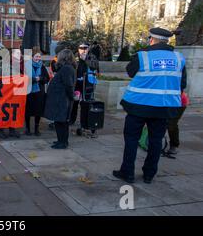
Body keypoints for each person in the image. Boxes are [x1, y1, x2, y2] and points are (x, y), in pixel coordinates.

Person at [113, 27, 187, 184]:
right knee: (155, 141)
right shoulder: (179, 58)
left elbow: (130, 72)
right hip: (163, 107)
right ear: (166, 41)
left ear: (152, 39)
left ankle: (128, 172)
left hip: (138, 106)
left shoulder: (143, 56)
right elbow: (183, 83)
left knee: (132, 139)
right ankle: (149, 174)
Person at [44, 49, 77, 149]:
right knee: (59, 121)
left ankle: (63, 142)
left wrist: (71, 97)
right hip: (60, 99)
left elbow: (69, 85)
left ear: (63, 57)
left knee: (61, 121)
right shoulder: (66, 68)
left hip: (61, 100)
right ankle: (61, 140)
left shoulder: (66, 68)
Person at [69, 42, 99, 137]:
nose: (83, 50)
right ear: (78, 48)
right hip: (76, 84)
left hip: (87, 84)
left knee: (85, 104)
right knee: (74, 102)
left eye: (85, 48)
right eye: (81, 48)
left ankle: (84, 123)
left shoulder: (92, 56)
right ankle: (71, 119)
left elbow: (95, 66)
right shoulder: (74, 56)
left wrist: (85, 59)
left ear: (88, 48)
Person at [0, 48, 23, 139]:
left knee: (13, 111)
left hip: (14, 93)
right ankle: (0, 130)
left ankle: (12, 130)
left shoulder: (16, 65)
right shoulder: (3, 65)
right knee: (3, 111)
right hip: (4, 92)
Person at [25, 47, 50, 136]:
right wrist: (33, 79)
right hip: (29, 92)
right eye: (36, 56)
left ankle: (36, 128)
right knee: (28, 111)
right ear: (32, 57)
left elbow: (47, 78)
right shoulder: (27, 66)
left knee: (38, 111)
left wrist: (41, 78)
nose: (38, 58)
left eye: (39, 57)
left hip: (39, 92)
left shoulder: (42, 67)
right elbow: (23, 78)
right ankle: (27, 128)